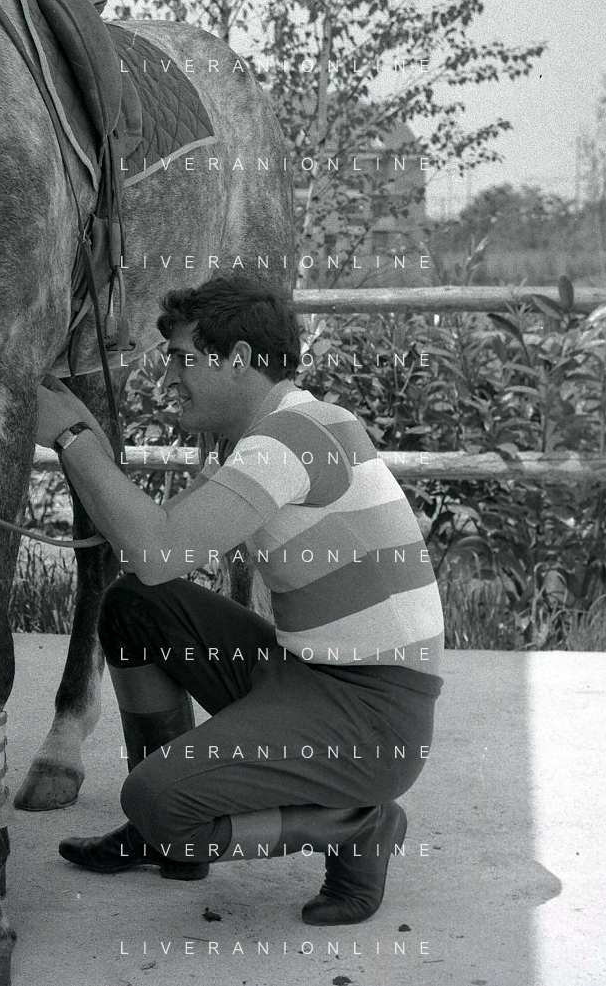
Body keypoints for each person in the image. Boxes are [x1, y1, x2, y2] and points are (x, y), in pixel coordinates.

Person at [36, 276, 445, 925]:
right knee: (135, 605)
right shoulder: (263, 434)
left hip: (373, 718)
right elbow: (153, 550)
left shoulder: (291, 438)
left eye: (182, 358)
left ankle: (358, 825)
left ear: (238, 359)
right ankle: (163, 841)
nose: (168, 376)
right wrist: (82, 435)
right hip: (305, 674)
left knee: (158, 801)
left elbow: (158, 549)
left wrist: (70, 440)